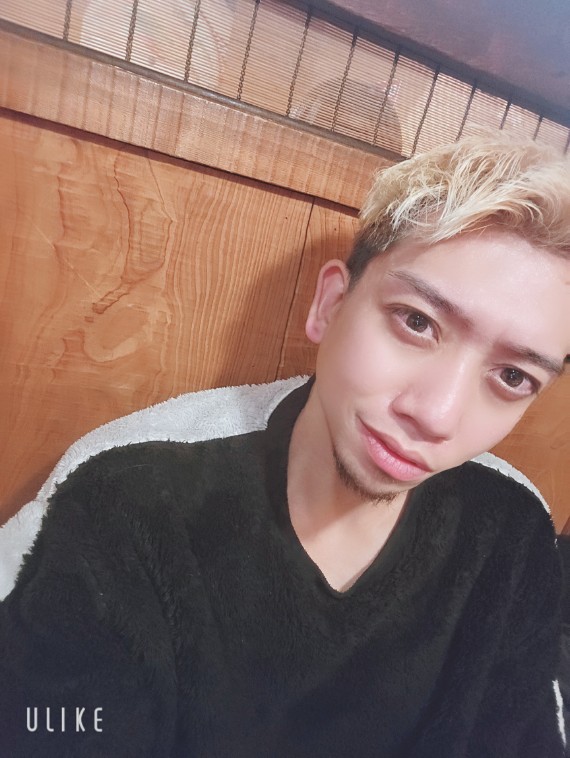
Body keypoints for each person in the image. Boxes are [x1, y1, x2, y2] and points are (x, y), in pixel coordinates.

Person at [1, 133, 569, 757]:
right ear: (331, 304)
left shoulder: (510, 530)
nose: (436, 415)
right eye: (417, 321)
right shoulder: (127, 496)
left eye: (513, 376)